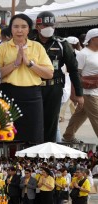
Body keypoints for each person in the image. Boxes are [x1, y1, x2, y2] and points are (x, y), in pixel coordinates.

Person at [0, 14, 54, 143]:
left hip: (32, 95)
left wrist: (29, 63)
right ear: (11, 29)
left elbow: (49, 74)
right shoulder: (1, 49)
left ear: (29, 29)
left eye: (23, 27)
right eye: (16, 26)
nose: (19, 30)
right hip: (7, 94)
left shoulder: (37, 47)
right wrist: (15, 63)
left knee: (34, 133)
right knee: (7, 134)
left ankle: (31, 161)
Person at [33, 11, 84, 142]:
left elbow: (73, 69)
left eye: (51, 25)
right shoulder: (30, 42)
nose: (48, 28)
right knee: (33, 122)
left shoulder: (62, 44)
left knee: (51, 123)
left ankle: (48, 156)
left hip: (54, 88)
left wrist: (78, 93)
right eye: (44, 25)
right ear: (37, 26)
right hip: (33, 88)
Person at [63, 28, 98, 142]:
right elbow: (75, 74)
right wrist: (75, 94)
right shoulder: (83, 54)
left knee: (80, 114)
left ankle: (68, 136)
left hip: (95, 90)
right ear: (93, 39)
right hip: (88, 92)